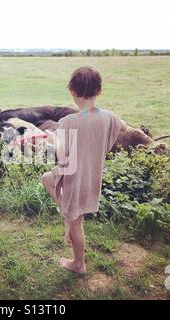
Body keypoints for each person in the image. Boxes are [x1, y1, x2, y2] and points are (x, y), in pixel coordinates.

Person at [41, 66, 126, 274]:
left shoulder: (68, 122)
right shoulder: (108, 117)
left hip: (74, 177)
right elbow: (122, 126)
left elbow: (61, 156)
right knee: (46, 179)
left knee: (76, 222)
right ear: (99, 92)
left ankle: (78, 264)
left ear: (71, 91)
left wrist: (53, 140)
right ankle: (68, 217)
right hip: (91, 173)